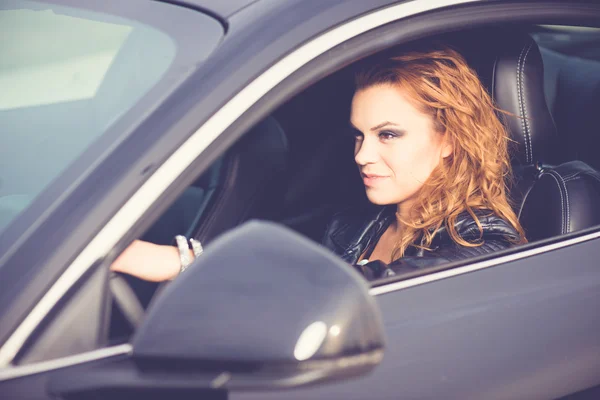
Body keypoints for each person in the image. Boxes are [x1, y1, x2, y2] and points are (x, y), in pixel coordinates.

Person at [111, 45, 526, 282]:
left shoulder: (483, 246)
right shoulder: (366, 218)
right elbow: (280, 256)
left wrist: (178, 265)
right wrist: (174, 260)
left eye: (388, 135)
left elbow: (331, 290)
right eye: (359, 135)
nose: (362, 155)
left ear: (449, 139)